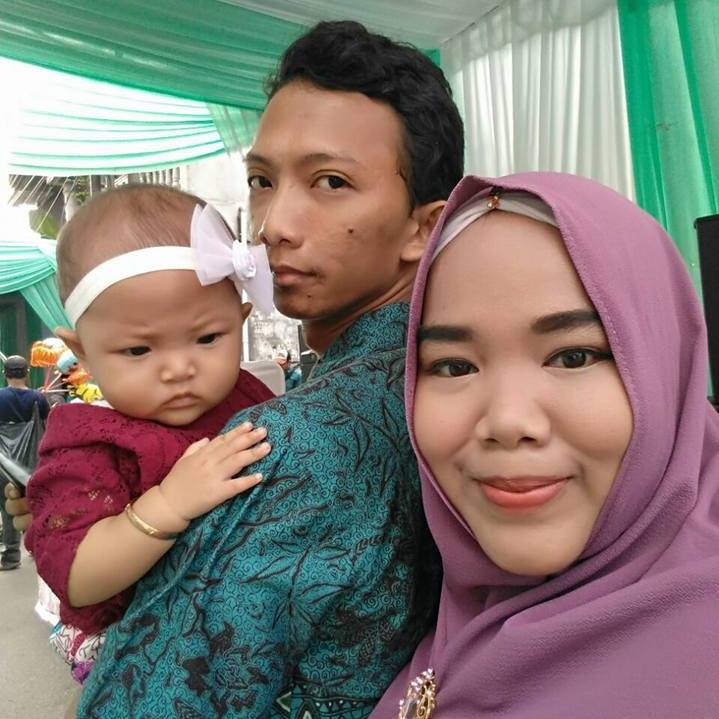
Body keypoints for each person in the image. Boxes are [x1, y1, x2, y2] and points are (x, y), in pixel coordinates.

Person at [75, 20, 464, 719]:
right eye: (261, 180)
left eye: (331, 182)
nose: (272, 225)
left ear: (422, 226)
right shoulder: (442, 377)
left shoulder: (288, 442)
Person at [372, 172, 719, 719]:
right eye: (454, 366)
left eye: (573, 356)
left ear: (666, 368)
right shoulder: (456, 609)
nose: (508, 421)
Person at [24, 184, 276, 683]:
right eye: (139, 350)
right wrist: (170, 503)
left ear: (240, 321)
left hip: (251, 627)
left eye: (208, 337)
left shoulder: (248, 396)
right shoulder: (90, 444)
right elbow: (77, 576)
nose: (179, 368)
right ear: (84, 352)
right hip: (145, 651)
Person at [0, 355, 49, 570]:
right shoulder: (38, 398)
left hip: (4, 462)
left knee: (8, 504)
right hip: (31, 459)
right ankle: (36, 547)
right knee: (34, 502)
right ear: (26, 373)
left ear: (5, 374)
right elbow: (46, 424)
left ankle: (11, 556)